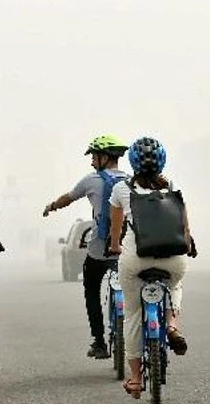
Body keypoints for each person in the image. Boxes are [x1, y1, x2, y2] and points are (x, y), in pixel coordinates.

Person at [107, 136, 194, 399]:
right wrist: (188, 245)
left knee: (133, 315)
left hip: (136, 260)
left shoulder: (121, 190)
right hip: (173, 259)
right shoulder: (173, 187)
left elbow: (115, 231)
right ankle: (171, 324)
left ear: (132, 163)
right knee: (175, 282)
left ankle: (134, 379)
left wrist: (114, 246)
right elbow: (185, 228)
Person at [42, 134, 130, 359]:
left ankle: (99, 341)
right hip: (124, 249)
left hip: (97, 251)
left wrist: (51, 206)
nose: (92, 161)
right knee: (133, 291)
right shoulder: (131, 181)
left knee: (91, 290)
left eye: (93, 156)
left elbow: (68, 198)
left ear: (104, 157)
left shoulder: (91, 180)